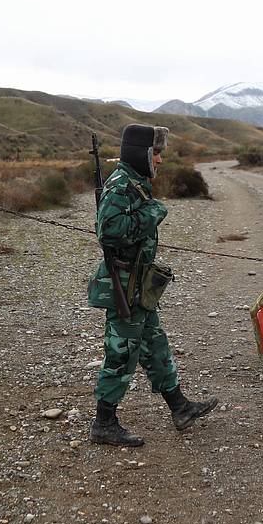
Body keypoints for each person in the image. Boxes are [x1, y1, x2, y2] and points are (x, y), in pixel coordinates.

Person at [86, 124, 218, 446]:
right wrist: (154, 212)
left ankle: (180, 408)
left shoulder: (134, 181)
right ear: (140, 153)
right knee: (121, 353)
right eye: (155, 153)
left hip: (138, 286)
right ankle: (104, 423)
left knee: (154, 345)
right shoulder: (121, 185)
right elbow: (109, 232)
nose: (159, 159)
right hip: (126, 287)